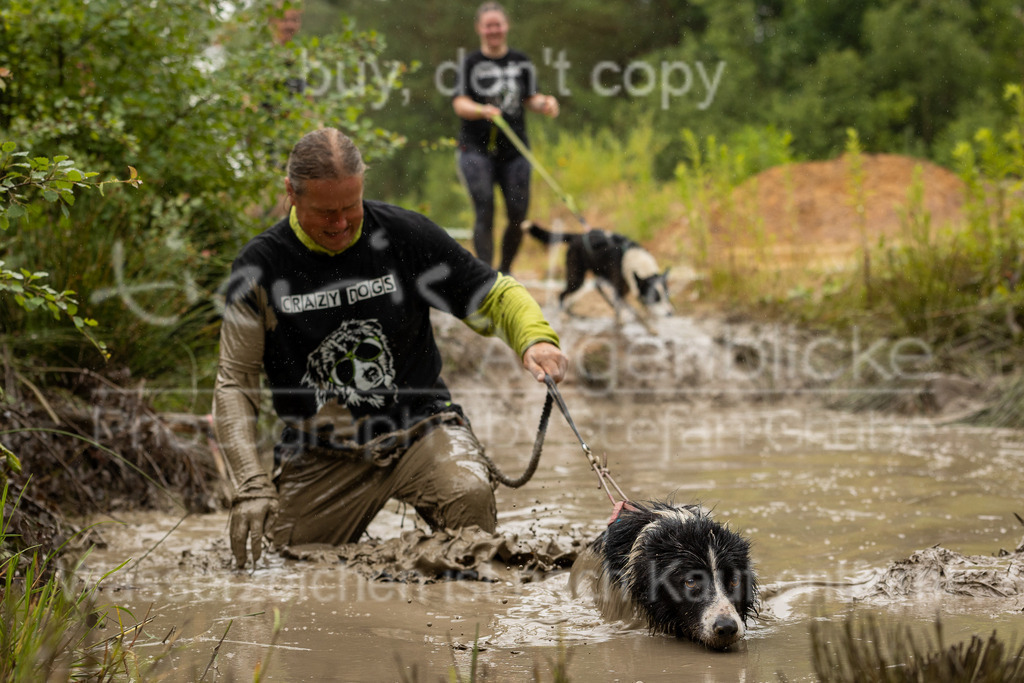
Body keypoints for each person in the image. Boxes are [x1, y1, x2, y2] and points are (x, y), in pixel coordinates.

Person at [213, 127, 569, 569]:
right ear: (291, 193)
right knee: (290, 569)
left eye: (351, 207)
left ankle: (462, 632)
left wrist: (534, 338)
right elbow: (235, 383)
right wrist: (251, 484)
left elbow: (493, 294)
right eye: (326, 212)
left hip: (422, 429)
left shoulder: (404, 236)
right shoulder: (259, 267)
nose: (341, 224)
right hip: (322, 450)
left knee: (471, 503)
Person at [452, 1, 559, 275]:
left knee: (517, 214)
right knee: (484, 207)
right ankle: (486, 276)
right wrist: (481, 110)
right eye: (488, 25)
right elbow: (459, 103)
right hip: (475, 149)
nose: (493, 30)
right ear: (479, 28)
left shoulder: (521, 61)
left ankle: (506, 273)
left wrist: (546, 103)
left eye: (497, 24)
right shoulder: (471, 63)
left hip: (514, 151)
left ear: (506, 26)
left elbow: (530, 98)